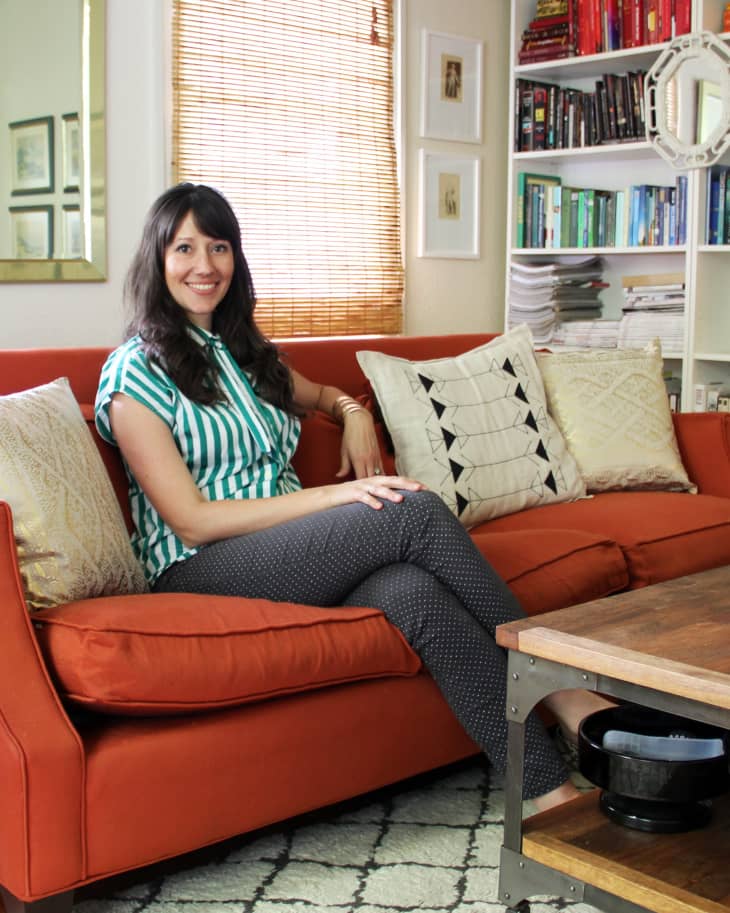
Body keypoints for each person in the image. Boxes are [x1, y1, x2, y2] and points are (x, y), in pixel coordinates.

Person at [95, 183, 610, 811]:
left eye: (219, 247)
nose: (204, 265)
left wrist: (352, 411)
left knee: (411, 593)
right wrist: (337, 499)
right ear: (157, 259)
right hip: (200, 568)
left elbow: (324, 396)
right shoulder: (133, 372)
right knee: (410, 509)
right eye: (184, 248)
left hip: (284, 556)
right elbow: (193, 521)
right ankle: (557, 685)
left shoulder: (248, 356)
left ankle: (545, 790)